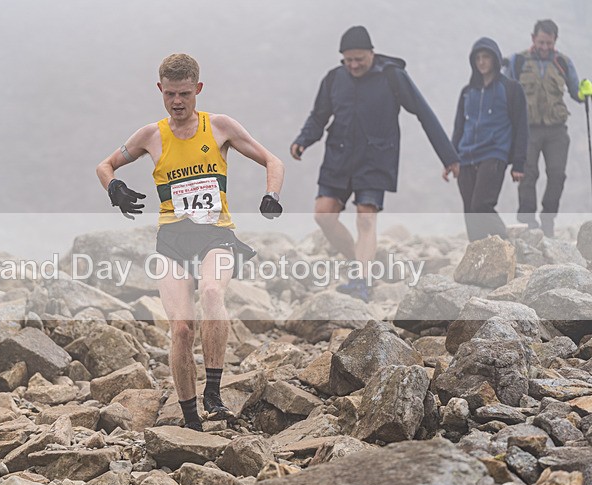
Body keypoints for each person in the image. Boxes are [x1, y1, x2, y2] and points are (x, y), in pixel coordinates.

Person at [96, 53, 283, 431]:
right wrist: (114, 187)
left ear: (197, 90)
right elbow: (105, 165)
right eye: (170, 95)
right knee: (181, 328)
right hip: (172, 242)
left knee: (213, 293)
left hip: (217, 236)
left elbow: (273, 161)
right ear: (160, 91)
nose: (177, 102)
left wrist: (271, 196)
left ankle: (213, 390)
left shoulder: (219, 127)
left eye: (184, 94)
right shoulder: (150, 136)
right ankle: (190, 417)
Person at [290, 25, 459, 302]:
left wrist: (449, 156)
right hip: (339, 156)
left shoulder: (392, 76)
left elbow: (423, 112)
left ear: (372, 52)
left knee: (366, 218)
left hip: (375, 157)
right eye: (348, 60)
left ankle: (361, 280)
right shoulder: (334, 79)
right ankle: (360, 262)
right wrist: (303, 139)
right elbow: (319, 116)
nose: (354, 65)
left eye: (360, 59)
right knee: (323, 215)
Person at [504, 19, 584, 237]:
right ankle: (528, 224)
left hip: (556, 130)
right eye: (541, 42)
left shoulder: (563, 63)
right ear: (533, 39)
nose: (545, 47)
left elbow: (577, 93)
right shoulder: (517, 61)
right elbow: (505, 89)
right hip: (527, 130)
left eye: (549, 43)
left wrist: (586, 91)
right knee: (527, 174)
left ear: (555, 41)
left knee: (557, 175)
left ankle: (548, 221)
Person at [449, 38, 528, 241]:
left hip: (494, 153)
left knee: (481, 205)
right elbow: (459, 128)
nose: (482, 62)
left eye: (486, 57)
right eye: (478, 58)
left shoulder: (511, 88)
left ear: (495, 59)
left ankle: (507, 245)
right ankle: (479, 258)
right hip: (466, 155)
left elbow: (521, 128)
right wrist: (450, 158)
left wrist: (518, 163)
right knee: (470, 210)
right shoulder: (467, 92)